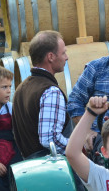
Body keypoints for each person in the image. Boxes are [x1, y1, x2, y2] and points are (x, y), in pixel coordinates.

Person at [12, 30, 71, 158]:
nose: (66, 57)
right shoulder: (51, 91)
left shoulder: (21, 88)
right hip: (53, 170)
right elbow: (50, 140)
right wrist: (77, 148)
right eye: (63, 52)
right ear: (50, 57)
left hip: (31, 168)